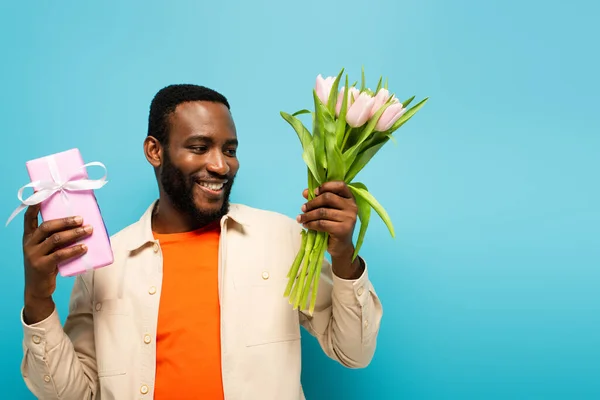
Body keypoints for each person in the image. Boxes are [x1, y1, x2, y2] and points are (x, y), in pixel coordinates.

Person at [19, 84, 383, 400]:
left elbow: (354, 351)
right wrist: (37, 298)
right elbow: (73, 394)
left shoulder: (282, 239)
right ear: (154, 151)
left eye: (229, 149)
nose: (221, 165)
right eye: (199, 147)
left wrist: (344, 256)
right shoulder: (105, 264)